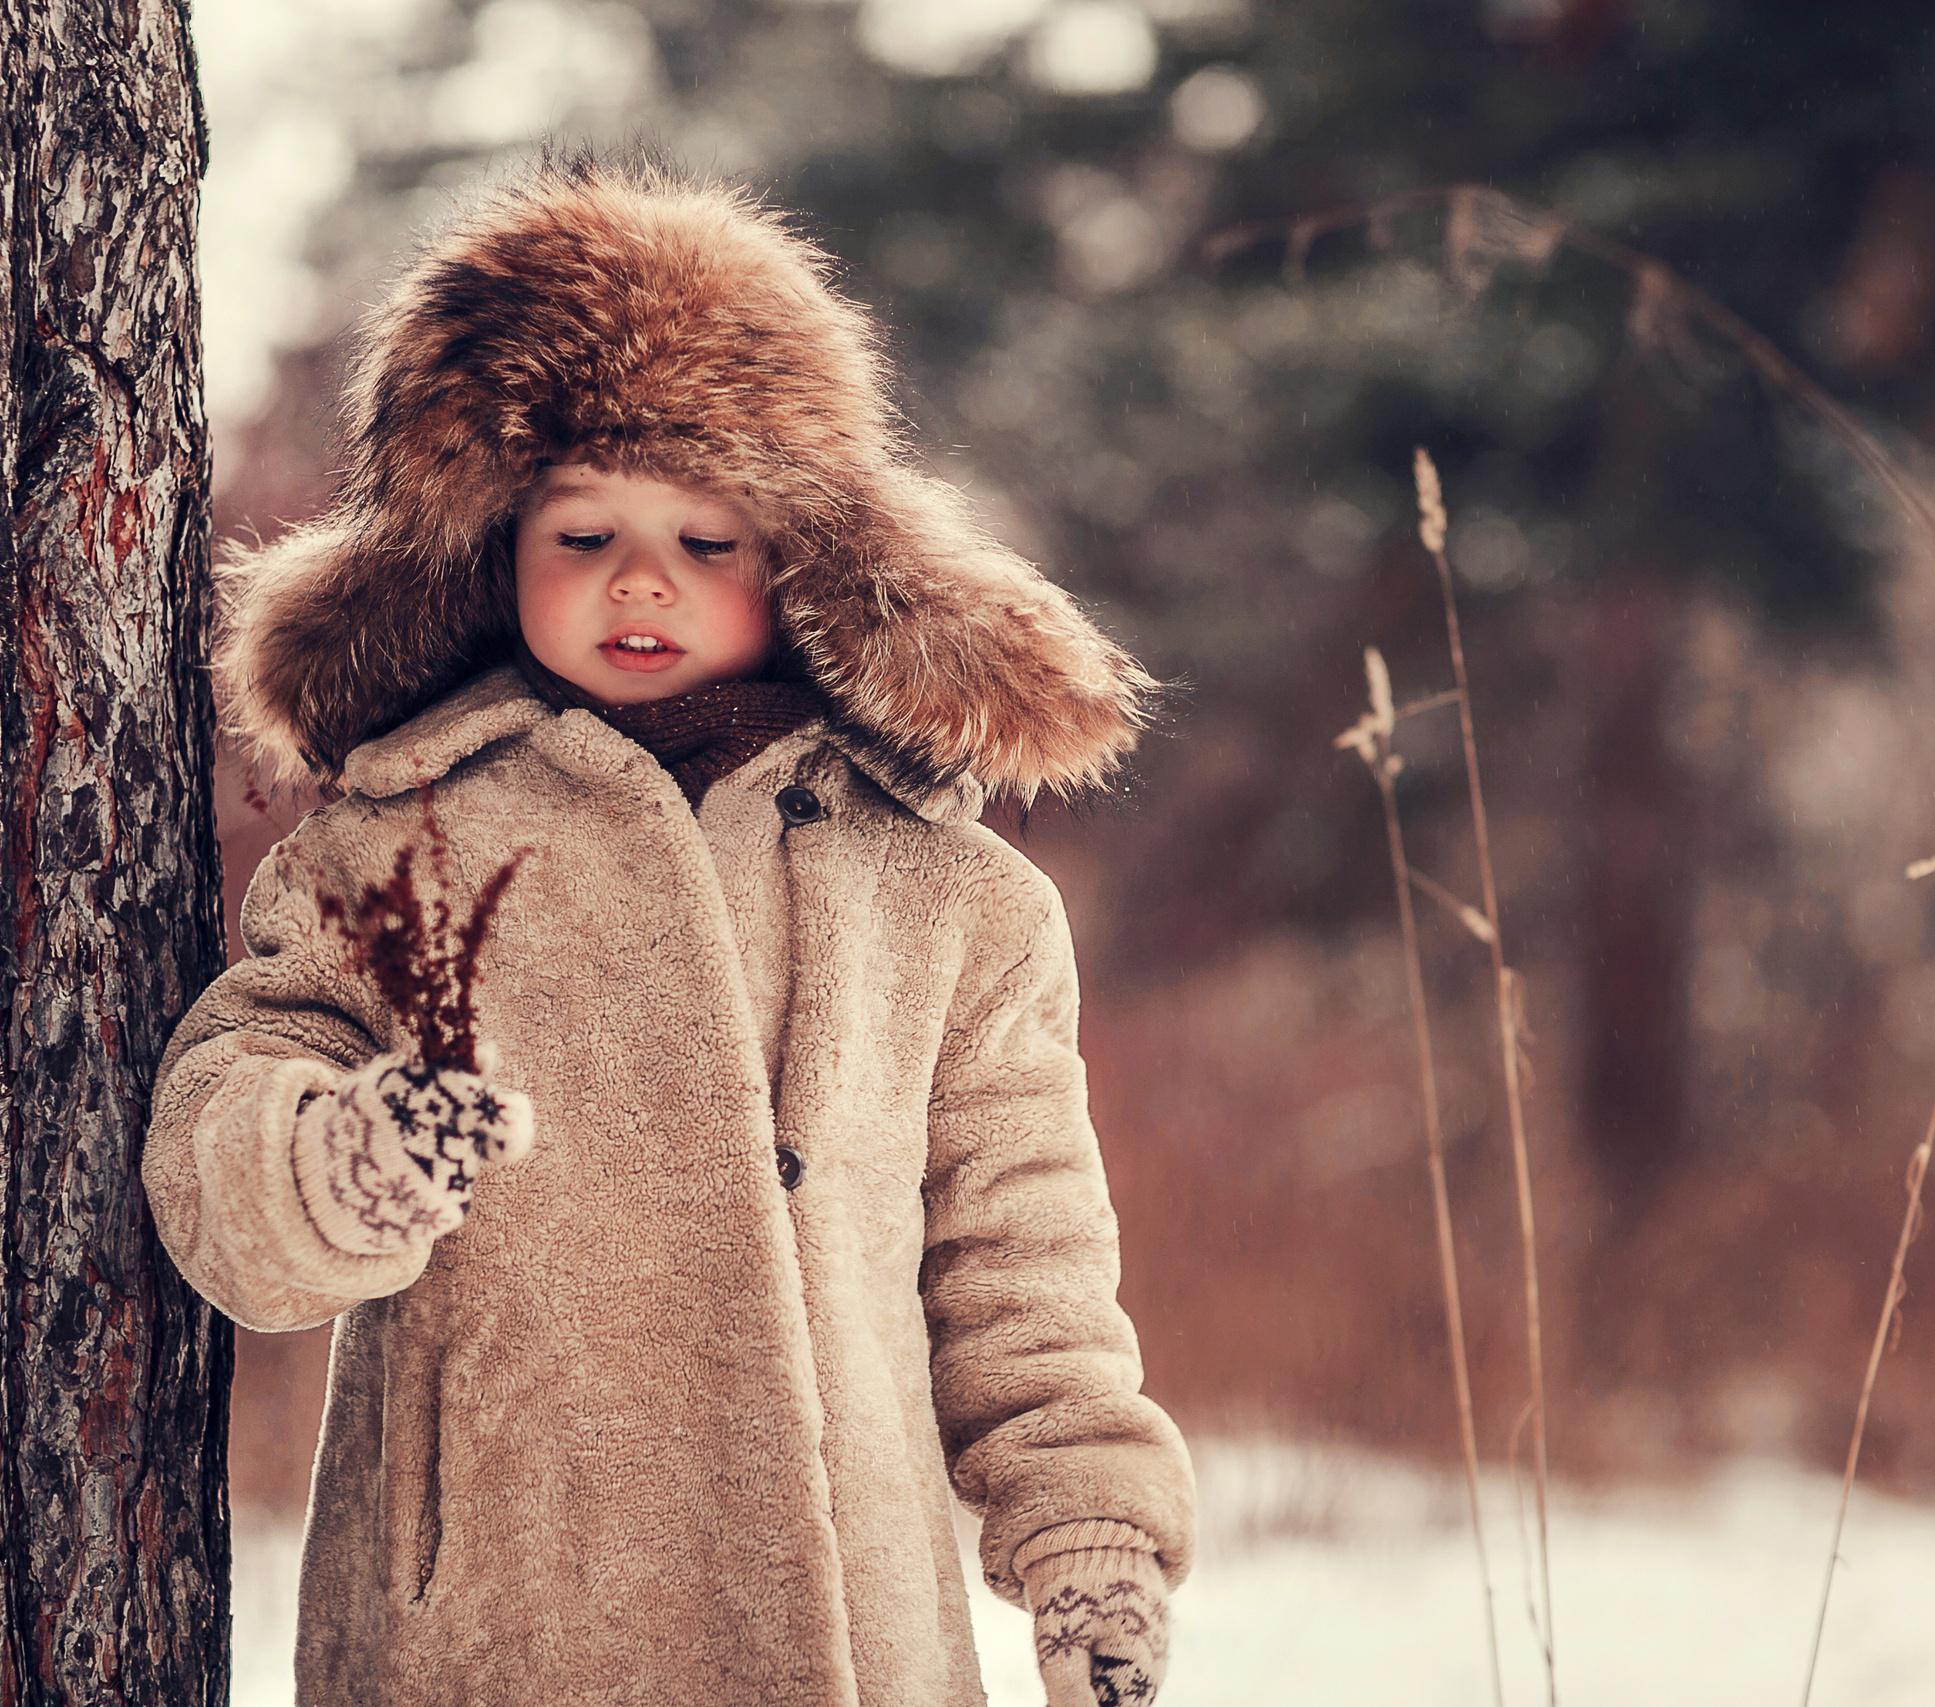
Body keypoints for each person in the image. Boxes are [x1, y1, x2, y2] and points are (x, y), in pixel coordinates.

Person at [146, 156, 1195, 1707]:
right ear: (494, 551)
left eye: (707, 540)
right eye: (583, 536)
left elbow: (1022, 1256)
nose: (644, 579)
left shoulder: (945, 896)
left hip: (849, 1619)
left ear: (801, 560)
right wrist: (336, 1160)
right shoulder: (399, 839)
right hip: (497, 1618)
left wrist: (1088, 1535)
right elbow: (230, 1139)